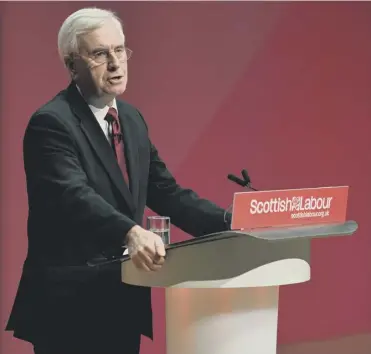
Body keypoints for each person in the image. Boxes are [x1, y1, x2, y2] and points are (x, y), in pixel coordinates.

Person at [5, 7, 231, 354]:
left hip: (122, 299)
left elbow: (166, 193)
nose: (115, 63)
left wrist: (233, 223)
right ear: (71, 64)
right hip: (70, 309)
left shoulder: (130, 118)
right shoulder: (52, 123)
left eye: (120, 50)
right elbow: (73, 196)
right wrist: (131, 231)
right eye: (99, 54)